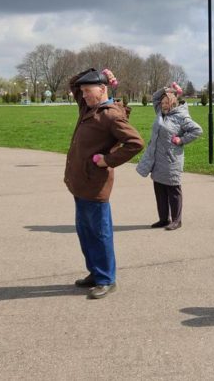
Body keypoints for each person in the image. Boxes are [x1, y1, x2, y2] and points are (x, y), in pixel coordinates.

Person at [64, 68, 144, 300]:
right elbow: (73, 82)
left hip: (95, 185)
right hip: (80, 184)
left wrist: (108, 160)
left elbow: (135, 143)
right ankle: (95, 272)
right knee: (85, 232)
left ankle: (106, 279)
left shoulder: (110, 115)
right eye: (83, 92)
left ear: (102, 90)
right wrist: (95, 72)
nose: (84, 95)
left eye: (89, 91)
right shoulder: (88, 109)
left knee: (99, 233)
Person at [136, 82, 203, 231]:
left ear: (173, 102)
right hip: (157, 159)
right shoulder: (159, 112)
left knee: (173, 190)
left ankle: (177, 220)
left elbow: (197, 130)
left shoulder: (181, 116)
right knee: (159, 189)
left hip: (171, 160)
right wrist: (166, 89)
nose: (164, 105)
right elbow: (155, 97)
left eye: (167, 102)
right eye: (163, 102)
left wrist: (181, 140)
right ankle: (163, 219)